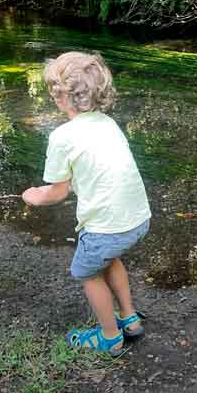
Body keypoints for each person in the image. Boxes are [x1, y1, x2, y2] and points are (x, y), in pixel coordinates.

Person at [22, 51, 151, 357]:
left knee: (87, 273)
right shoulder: (107, 123)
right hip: (137, 219)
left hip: (106, 229)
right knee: (109, 259)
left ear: (60, 97)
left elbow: (57, 192)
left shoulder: (62, 136)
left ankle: (110, 337)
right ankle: (129, 319)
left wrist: (33, 196)